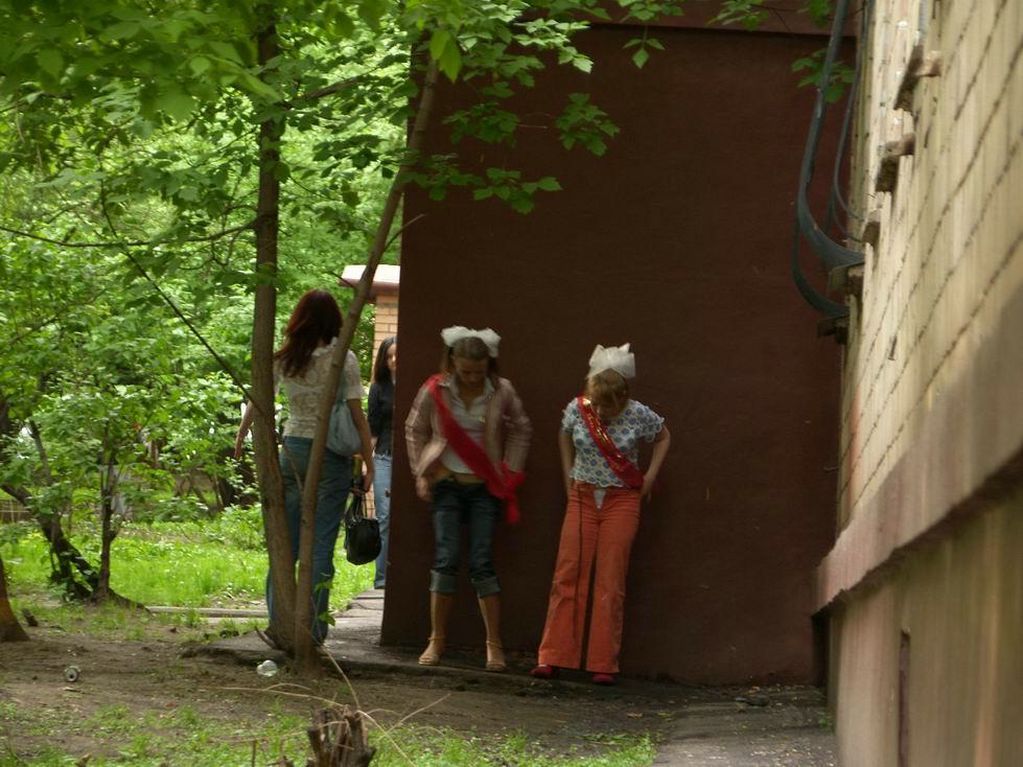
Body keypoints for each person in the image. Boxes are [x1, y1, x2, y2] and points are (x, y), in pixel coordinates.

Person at [234, 289, 374, 645]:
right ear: (335, 321)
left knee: (287, 544)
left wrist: (241, 434)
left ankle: (280, 625)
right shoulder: (344, 359)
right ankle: (312, 633)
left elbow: (259, 400)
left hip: (294, 449)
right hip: (332, 454)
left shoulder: (285, 358)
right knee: (321, 546)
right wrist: (369, 462)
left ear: (299, 320)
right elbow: (357, 414)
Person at [531, 343, 670, 685]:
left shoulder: (638, 413)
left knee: (611, 579)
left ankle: (603, 661)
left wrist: (649, 478)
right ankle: (552, 656)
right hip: (581, 496)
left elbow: (664, 437)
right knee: (567, 573)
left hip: (622, 500)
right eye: (597, 403)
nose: (602, 411)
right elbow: (564, 435)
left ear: (623, 398)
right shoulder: (579, 409)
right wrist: (568, 475)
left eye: (609, 404)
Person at [405, 326, 532, 672]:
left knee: (482, 561)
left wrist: (511, 469)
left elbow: (522, 428)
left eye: (478, 372)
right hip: (446, 483)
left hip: (484, 487)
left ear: (489, 365)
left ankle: (494, 644)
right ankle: (436, 639)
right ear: (452, 363)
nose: (473, 378)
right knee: (445, 558)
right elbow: (414, 428)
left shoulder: (501, 390)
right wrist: (421, 472)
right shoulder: (436, 388)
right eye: (465, 372)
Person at [367, 336, 397, 589]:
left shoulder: (416, 384)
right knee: (384, 516)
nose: (394, 360)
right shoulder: (378, 388)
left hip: (411, 462)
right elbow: (373, 429)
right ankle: (382, 578)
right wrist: (367, 464)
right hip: (384, 457)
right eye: (389, 356)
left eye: (398, 355)